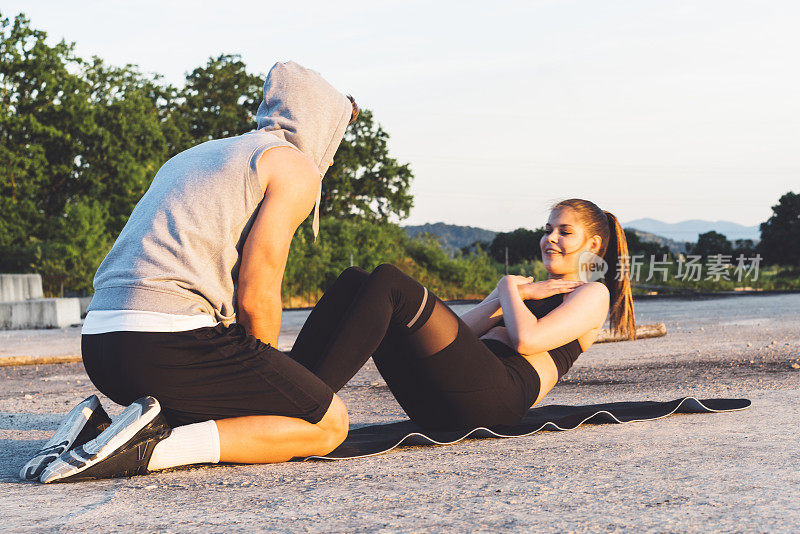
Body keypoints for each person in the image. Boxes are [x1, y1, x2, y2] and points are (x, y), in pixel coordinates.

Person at [22, 61, 359, 483]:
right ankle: (145, 452)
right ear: (323, 125)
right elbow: (257, 293)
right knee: (328, 424)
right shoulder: (293, 166)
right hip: (165, 343)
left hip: (101, 346)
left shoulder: (199, 154)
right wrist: (265, 385)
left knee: (229, 412)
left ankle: (95, 431)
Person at [286, 198, 636, 431]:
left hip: (496, 401)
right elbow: (459, 333)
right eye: (547, 230)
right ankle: (281, 389)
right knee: (355, 282)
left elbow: (528, 340)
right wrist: (515, 292)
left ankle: (301, 402)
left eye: (565, 232)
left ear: (592, 246)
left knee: (389, 282)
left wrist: (507, 289)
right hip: (449, 396)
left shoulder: (592, 293)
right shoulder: (524, 288)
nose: (550, 239)